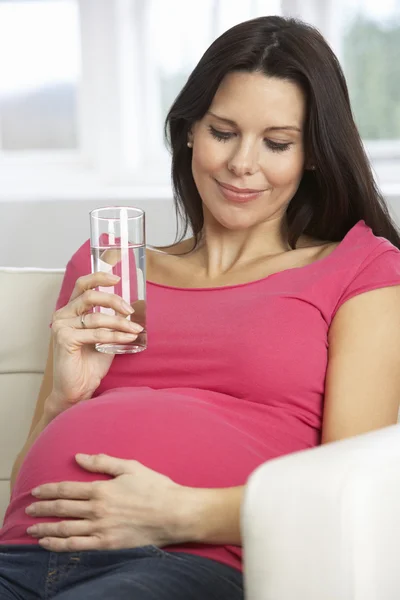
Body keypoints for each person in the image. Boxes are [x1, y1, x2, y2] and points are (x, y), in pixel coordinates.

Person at [1, 14, 400, 600]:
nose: (243, 163)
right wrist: (64, 397)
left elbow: (348, 493)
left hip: (178, 565)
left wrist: (179, 512)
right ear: (189, 129)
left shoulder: (359, 268)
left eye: (277, 143)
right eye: (222, 131)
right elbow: (26, 478)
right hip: (23, 554)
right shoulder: (109, 264)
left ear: (312, 155)